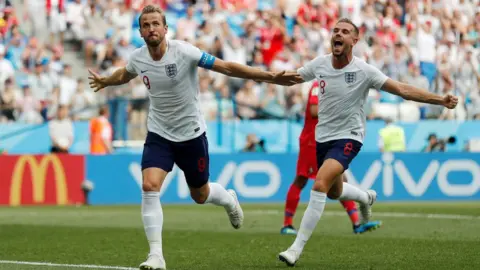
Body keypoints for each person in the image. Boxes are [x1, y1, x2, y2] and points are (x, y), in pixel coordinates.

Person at [87, 5, 293, 270]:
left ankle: (228, 199)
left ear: (165, 28)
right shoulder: (139, 58)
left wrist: (271, 76)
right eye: (146, 25)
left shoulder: (184, 52)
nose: (151, 29)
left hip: (191, 135)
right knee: (150, 186)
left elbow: (227, 67)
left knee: (200, 193)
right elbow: (124, 74)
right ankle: (156, 255)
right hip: (159, 133)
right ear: (140, 31)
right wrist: (105, 80)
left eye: (155, 24)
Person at [269, 18, 458, 267]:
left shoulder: (364, 71)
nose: (338, 34)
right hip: (322, 139)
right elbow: (294, 77)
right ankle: (365, 197)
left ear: (354, 41)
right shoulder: (320, 64)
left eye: (345, 32)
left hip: (349, 137)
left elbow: (402, 89)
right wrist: (267, 77)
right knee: (335, 191)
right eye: (336, 30)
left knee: (320, 185)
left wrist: (439, 100)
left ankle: (296, 248)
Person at [281, 81, 381, 236]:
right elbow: (314, 110)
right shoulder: (318, 86)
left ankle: (357, 224)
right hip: (312, 142)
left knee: (341, 180)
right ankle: (287, 225)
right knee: (301, 179)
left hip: (328, 140)